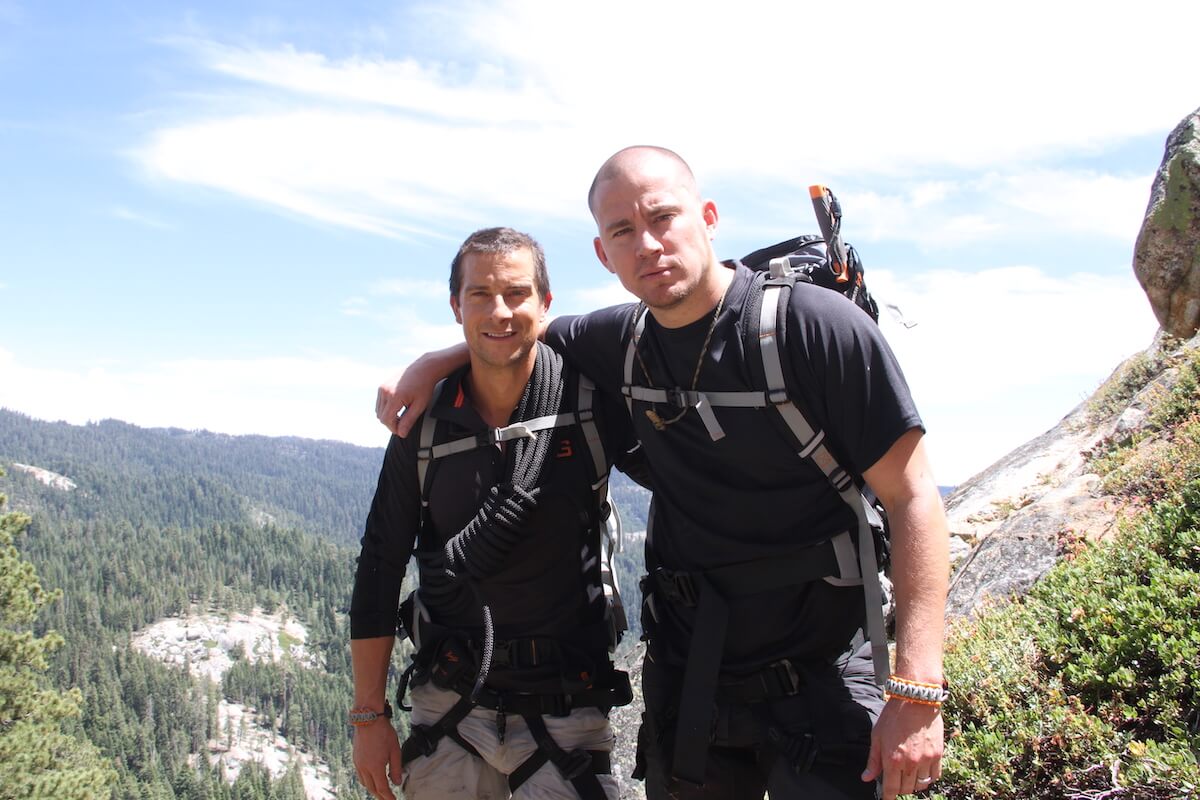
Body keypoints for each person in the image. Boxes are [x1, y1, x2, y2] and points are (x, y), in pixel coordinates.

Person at [375, 147, 950, 800]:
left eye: (663, 217)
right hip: (695, 673)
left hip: (827, 666)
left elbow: (914, 497)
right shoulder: (618, 341)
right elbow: (518, 334)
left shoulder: (815, 330)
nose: (646, 243)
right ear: (603, 254)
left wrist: (918, 691)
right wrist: (432, 363)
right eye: (622, 231)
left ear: (707, 217)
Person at [351, 227, 647, 800]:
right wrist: (369, 716)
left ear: (546, 303)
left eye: (515, 292)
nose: (500, 309)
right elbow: (381, 565)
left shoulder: (588, 406)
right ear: (455, 305)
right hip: (452, 700)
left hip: (567, 698)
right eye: (481, 295)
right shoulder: (425, 427)